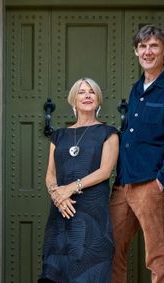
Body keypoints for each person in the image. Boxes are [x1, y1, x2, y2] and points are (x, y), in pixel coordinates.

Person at [110, 25, 164, 283]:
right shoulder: (137, 89)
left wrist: (163, 180)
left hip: (151, 182)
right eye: (143, 46)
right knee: (110, 248)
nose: (148, 51)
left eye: (154, 46)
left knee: (156, 255)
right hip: (124, 182)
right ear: (136, 52)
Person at [38, 78, 119, 283]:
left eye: (92, 92)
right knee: (55, 274)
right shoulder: (59, 136)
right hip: (61, 215)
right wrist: (58, 196)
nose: (87, 96)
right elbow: (50, 174)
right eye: (82, 92)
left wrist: (71, 188)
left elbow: (105, 171)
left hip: (92, 216)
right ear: (73, 100)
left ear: (98, 99)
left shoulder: (108, 133)